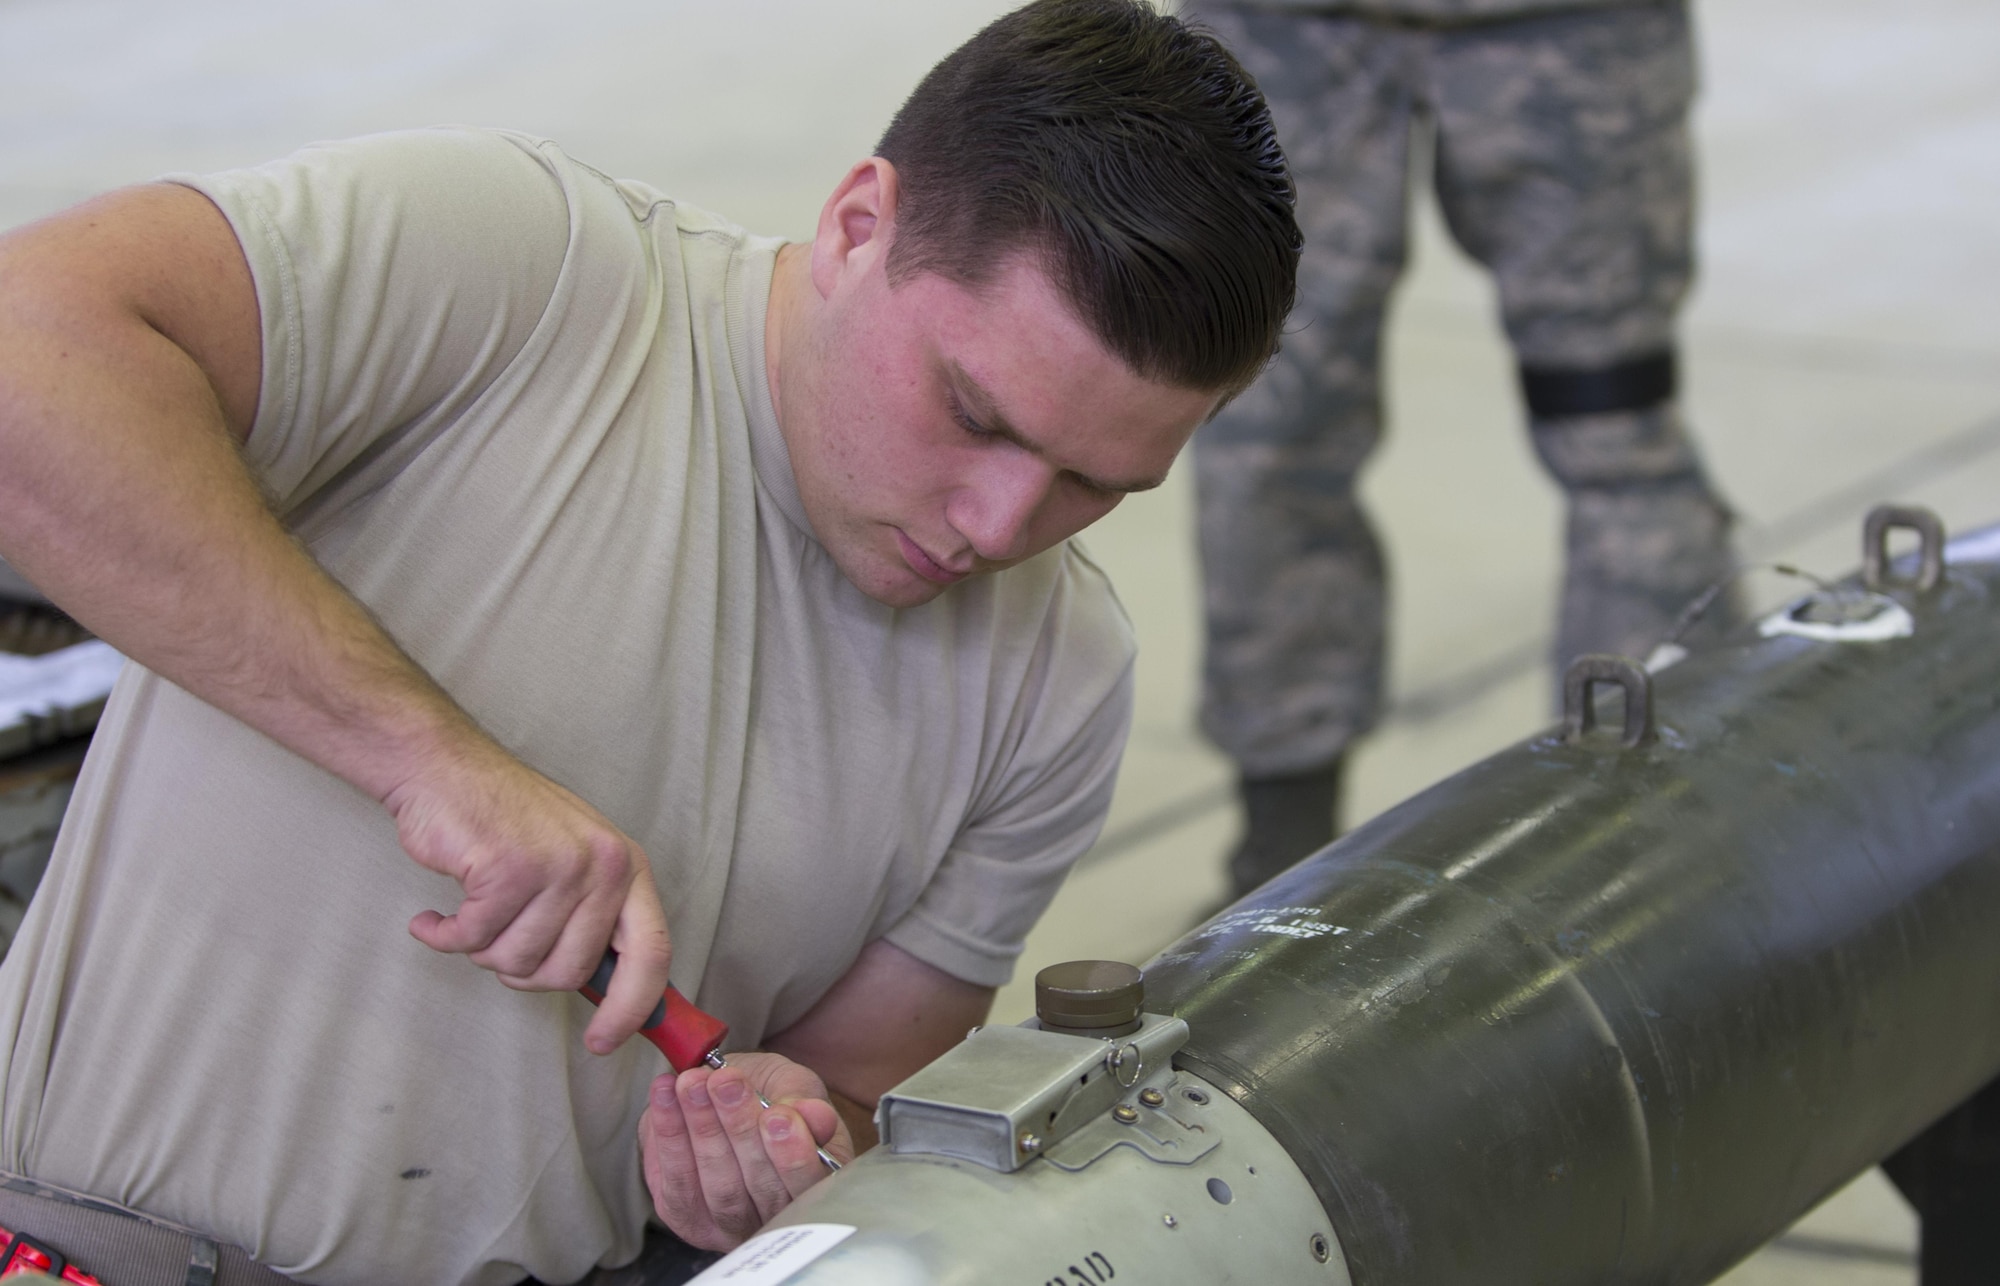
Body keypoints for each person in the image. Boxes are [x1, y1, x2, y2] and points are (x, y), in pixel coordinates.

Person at [0, 2, 1300, 1283]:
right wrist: (427, 757)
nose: (1000, 524)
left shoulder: (1056, 682)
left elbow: (852, 1094)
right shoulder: (522, 277)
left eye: (1093, 486)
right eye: (975, 413)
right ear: (860, 226)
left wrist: (777, 1162)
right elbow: (26, 352)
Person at [1183, 0, 1739, 897]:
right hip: (1288, 26)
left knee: (1614, 423)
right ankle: (1281, 845)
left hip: (1567, 26)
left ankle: (1649, 845)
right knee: (1259, 418)